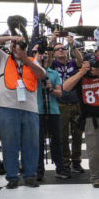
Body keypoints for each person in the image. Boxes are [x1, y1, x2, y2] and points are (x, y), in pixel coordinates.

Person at [0, 34, 47, 189]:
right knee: (9, 144)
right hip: (7, 108)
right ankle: (12, 177)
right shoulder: (3, 58)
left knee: (31, 144)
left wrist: (24, 57)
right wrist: (10, 37)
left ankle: (30, 176)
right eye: (14, 46)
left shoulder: (32, 61)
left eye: (20, 46)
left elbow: (41, 75)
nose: (16, 48)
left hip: (30, 109)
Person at [62, 57, 99, 187]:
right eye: (89, 64)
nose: (92, 67)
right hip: (91, 119)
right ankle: (97, 177)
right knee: (94, 151)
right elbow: (65, 87)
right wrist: (81, 72)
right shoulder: (80, 74)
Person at [50, 36, 85, 173]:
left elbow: (80, 60)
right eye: (57, 49)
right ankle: (65, 162)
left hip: (75, 102)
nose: (61, 50)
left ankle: (76, 161)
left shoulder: (72, 63)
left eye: (63, 48)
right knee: (62, 136)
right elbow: (46, 59)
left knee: (77, 134)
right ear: (54, 53)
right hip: (61, 104)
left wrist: (72, 45)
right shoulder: (53, 64)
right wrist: (51, 41)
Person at [34, 48, 69, 181]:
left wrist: (51, 90)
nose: (44, 57)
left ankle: (60, 168)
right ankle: (39, 170)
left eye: (46, 55)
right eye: (41, 54)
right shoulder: (33, 72)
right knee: (39, 141)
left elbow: (59, 93)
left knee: (57, 140)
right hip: (38, 110)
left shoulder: (54, 73)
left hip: (53, 110)